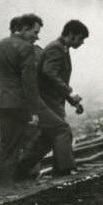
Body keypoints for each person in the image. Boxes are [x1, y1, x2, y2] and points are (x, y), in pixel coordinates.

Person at [18, 20, 88, 177]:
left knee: (47, 138)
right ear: (71, 35)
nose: (82, 42)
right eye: (81, 38)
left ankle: (20, 170)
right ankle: (64, 169)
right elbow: (49, 72)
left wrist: (71, 100)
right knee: (62, 130)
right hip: (45, 100)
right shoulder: (56, 48)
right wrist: (69, 91)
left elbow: (55, 77)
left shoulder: (62, 48)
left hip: (50, 99)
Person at [0, 13, 47, 192]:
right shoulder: (26, 48)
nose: (36, 36)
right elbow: (29, 83)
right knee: (17, 144)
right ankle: (7, 187)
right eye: (35, 32)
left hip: (1, 101)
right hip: (18, 104)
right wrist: (34, 111)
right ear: (25, 29)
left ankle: (0, 184)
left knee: (6, 143)